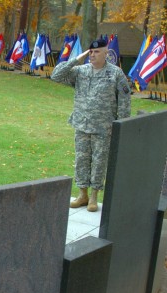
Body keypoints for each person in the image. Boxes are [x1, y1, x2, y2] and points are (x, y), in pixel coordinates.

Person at [51, 38, 131, 212]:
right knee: (81, 160)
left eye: (97, 52)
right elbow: (56, 75)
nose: (93, 55)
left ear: (106, 54)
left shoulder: (115, 73)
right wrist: (77, 59)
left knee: (99, 161)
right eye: (91, 52)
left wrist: (121, 127)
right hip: (82, 123)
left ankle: (94, 196)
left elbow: (124, 103)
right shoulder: (80, 71)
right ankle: (82, 194)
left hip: (104, 127)